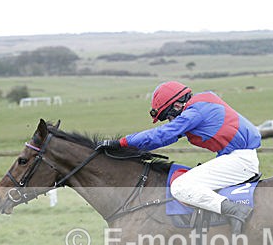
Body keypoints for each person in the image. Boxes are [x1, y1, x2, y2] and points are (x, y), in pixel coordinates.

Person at [96, 81, 261, 234]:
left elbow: (162, 134)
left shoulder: (195, 112)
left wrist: (122, 143)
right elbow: (166, 137)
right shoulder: (202, 104)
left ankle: (235, 210)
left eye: (168, 116)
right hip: (237, 157)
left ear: (176, 105)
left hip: (239, 161)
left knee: (180, 187)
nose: (169, 121)